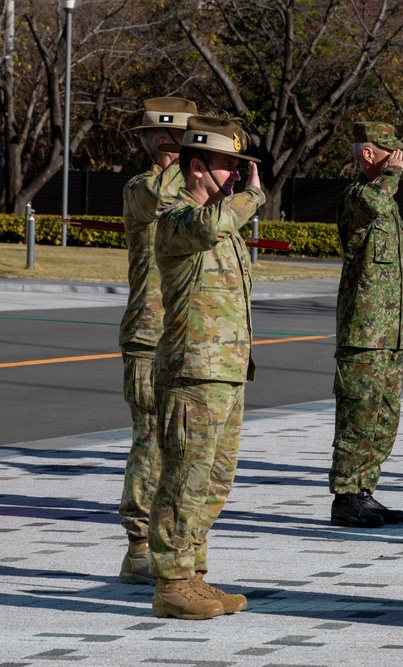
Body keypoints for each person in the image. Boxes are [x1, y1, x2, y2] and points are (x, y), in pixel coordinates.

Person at [148, 116, 265, 620]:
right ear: (197, 168)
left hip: (226, 372)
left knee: (215, 481)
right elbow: (212, 225)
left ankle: (193, 572)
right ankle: (171, 582)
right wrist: (253, 196)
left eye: (242, 170)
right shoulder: (177, 220)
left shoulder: (223, 221)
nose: (238, 178)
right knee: (184, 479)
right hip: (193, 371)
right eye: (228, 167)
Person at [118, 97, 197, 585]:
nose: (168, 150)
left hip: (190, 335)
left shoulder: (196, 192)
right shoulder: (142, 187)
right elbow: (160, 194)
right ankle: (139, 548)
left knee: (184, 445)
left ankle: (179, 544)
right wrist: (179, 157)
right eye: (161, 140)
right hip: (149, 335)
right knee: (151, 442)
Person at [328, 122, 403, 528]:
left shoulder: (386, 199)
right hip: (362, 329)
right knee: (358, 412)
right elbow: (373, 203)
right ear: (367, 155)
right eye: (389, 153)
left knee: (383, 414)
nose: (398, 160)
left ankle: (364, 489)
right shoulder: (360, 195)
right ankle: (345, 495)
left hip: (387, 329)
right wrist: (390, 175)